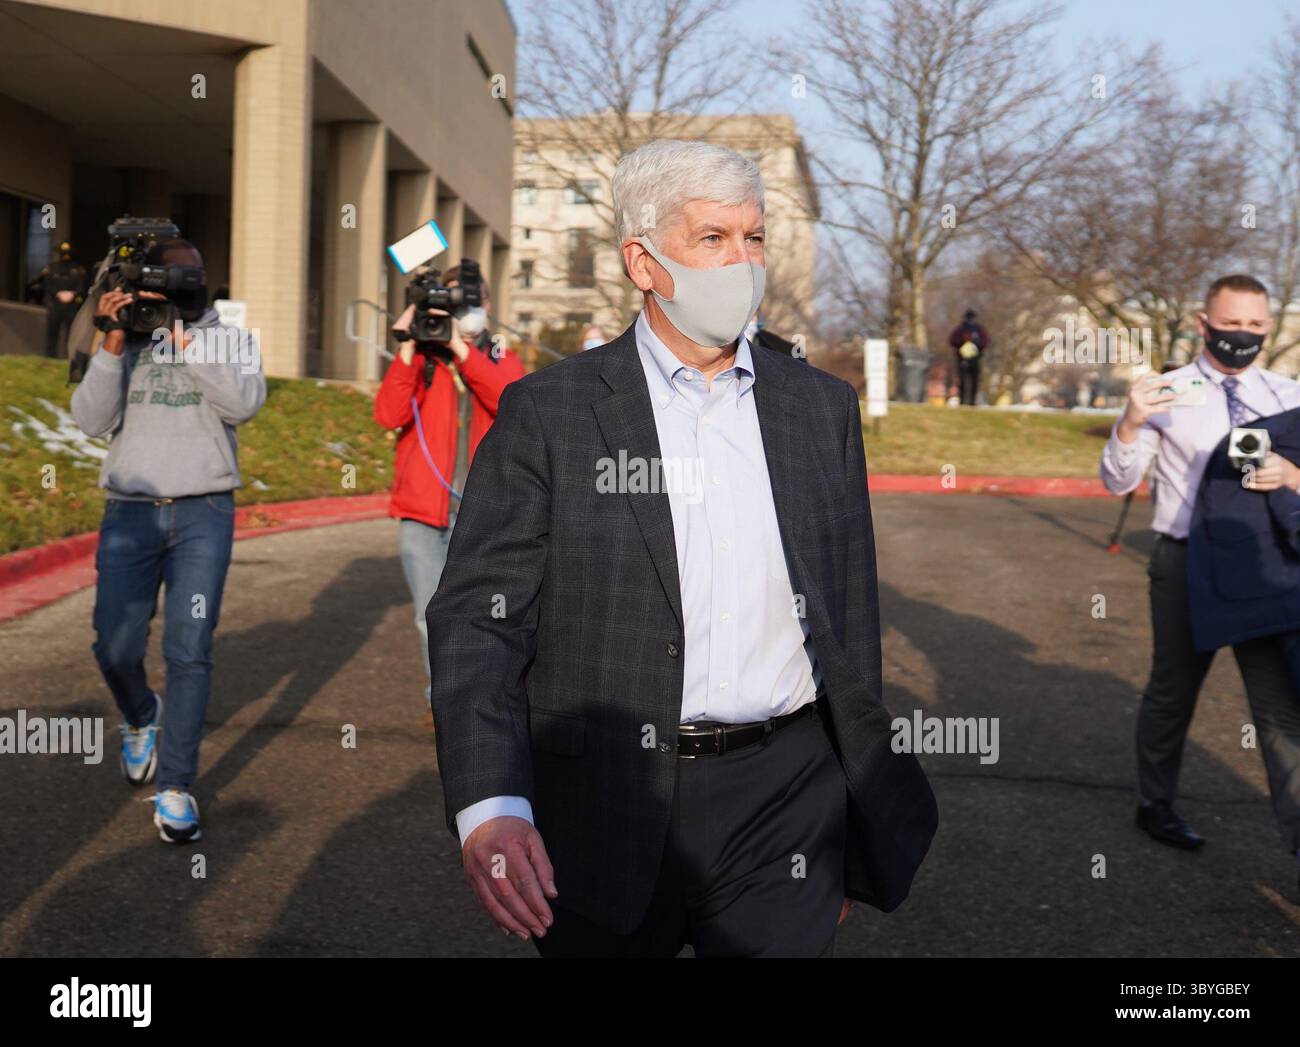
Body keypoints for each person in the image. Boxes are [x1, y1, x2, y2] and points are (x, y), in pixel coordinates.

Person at [427, 139, 937, 957]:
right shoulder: (549, 413)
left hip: (785, 797)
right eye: (713, 239)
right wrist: (491, 804)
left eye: (755, 238)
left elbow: (849, 616)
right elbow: (479, 621)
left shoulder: (820, 409)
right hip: (604, 798)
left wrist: (846, 815)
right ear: (643, 260)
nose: (743, 261)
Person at [70, 238, 265, 843]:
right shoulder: (124, 336)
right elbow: (89, 421)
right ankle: (139, 715)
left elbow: (244, 402)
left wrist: (186, 337)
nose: (177, 289)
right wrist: (109, 338)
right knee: (114, 643)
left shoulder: (228, 337)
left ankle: (176, 784)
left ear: (203, 281)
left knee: (189, 648)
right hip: (129, 509)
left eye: (188, 277)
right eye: (167, 280)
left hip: (203, 512)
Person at [1101, 273, 1300, 850]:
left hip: (1262, 566)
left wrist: (1291, 476)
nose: (1243, 335)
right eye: (1231, 323)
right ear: (1203, 323)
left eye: (1255, 325)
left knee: (1280, 709)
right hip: (1184, 562)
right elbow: (1118, 481)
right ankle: (1154, 803)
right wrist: (1132, 422)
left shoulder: (1289, 395)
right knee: (1173, 690)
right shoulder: (1165, 391)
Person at [373, 266, 524, 712]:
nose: (451, 316)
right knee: (429, 616)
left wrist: (462, 349)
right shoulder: (419, 357)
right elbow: (388, 415)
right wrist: (406, 350)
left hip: (483, 512)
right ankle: (447, 701)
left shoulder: (496, 352)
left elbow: (510, 399)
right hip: (423, 511)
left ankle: (489, 697)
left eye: (462, 305)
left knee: (487, 614)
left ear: (485, 306)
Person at [1186, 404, 1300, 896]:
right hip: (1263, 614)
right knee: (1282, 740)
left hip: (1260, 606)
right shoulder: (1259, 438)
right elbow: (1228, 529)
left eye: (1255, 321)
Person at [35, 241, 89, 359]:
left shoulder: (78, 270)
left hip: (71, 307)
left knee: (71, 334)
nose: (66, 255)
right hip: (55, 305)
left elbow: (82, 286)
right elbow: (46, 285)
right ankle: (50, 357)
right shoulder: (51, 268)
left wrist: (73, 294)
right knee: (52, 334)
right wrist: (58, 294)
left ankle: (69, 357)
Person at [947, 308, 989, 406]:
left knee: (973, 380)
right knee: (963, 381)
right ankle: (963, 401)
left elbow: (985, 341)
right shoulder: (961, 329)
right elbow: (952, 340)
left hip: (975, 358)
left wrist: (976, 344)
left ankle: (972, 402)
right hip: (962, 358)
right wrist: (963, 342)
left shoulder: (978, 329)